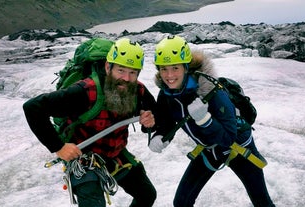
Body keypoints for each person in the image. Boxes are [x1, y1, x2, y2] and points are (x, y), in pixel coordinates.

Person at [23, 38, 157, 207]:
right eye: (121, 70)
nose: (126, 78)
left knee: (146, 194)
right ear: (108, 67)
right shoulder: (85, 92)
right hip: (82, 156)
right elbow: (33, 107)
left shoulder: (138, 90)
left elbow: (155, 116)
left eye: (132, 73)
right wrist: (58, 147)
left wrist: (149, 122)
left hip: (114, 152)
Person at [148, 35, 275, 207]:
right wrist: (161, 135)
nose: (169, 75)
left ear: (186, 67)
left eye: (175, 68)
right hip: (210, 150)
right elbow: (168, 120)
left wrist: (205, 120)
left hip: (239, 148)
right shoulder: (167, 93)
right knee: (181, 202)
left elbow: (228, 138)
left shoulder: (211, 92)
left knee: (262, 202)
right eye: (164, 69)